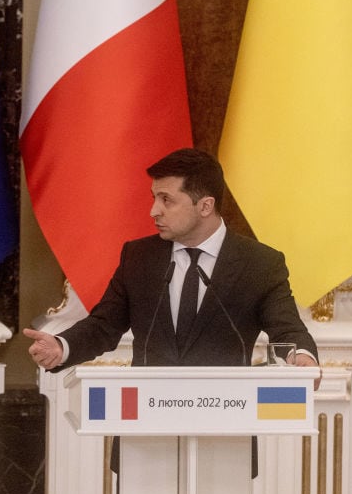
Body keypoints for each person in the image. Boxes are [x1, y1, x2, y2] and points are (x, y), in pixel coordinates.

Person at [24, 148, 319, 375]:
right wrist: (61, 346)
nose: (154, 210)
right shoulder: (139, 258)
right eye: (154, 197)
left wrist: (303, 356)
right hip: (145, 421)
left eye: (167, 200)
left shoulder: (259, 263)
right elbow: (104, 325)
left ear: (205, 206)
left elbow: (288, 329)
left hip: (226, 421)